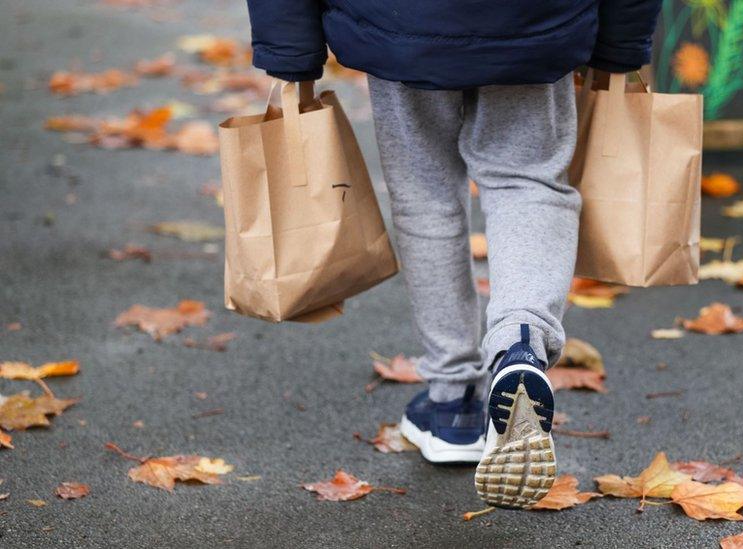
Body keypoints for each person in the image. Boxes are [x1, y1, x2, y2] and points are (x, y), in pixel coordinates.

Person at [245, 0, 662, 509]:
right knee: (527, 181)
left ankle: (451, 403)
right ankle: (520, 345)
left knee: (425, 198)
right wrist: (621, 41)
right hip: (533, 21)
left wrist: (289, 52)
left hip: (401, 22)